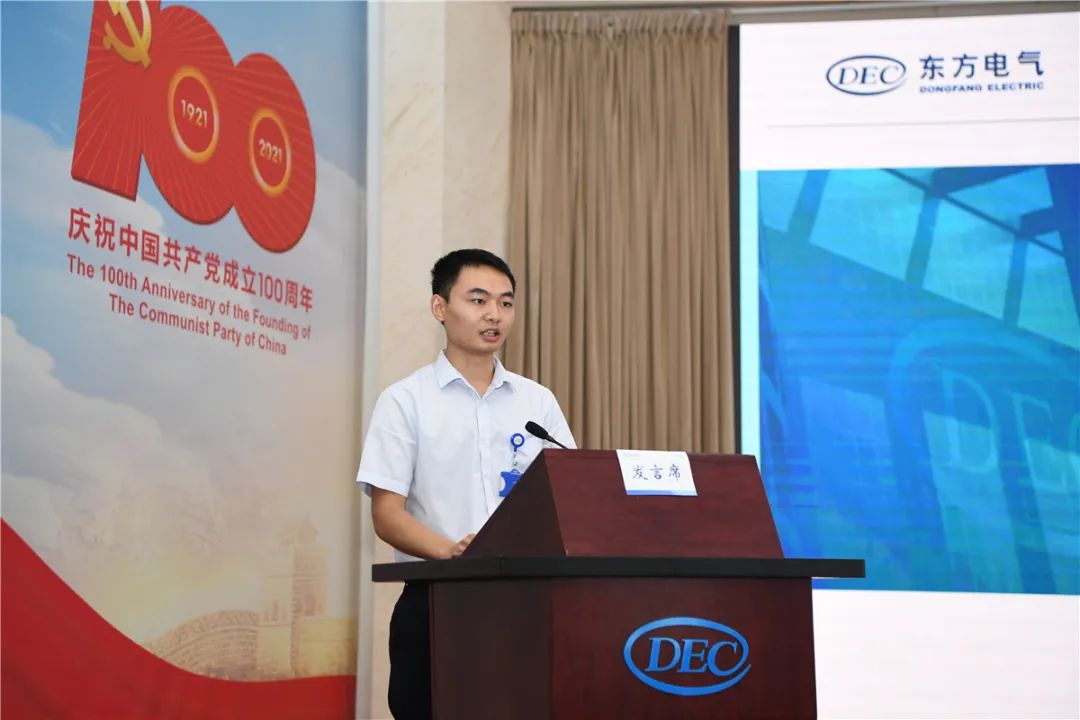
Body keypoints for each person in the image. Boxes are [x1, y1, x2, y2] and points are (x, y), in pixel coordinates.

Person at [356, 248, 575, 719]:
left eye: (505, 302)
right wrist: (452, 551)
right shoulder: (405, 401)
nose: (494, 314)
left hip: (529, 604)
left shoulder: (538, 402)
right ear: (440, 307)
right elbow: (387, 514)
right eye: (478, 300)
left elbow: (570, 496)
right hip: (437, 602)